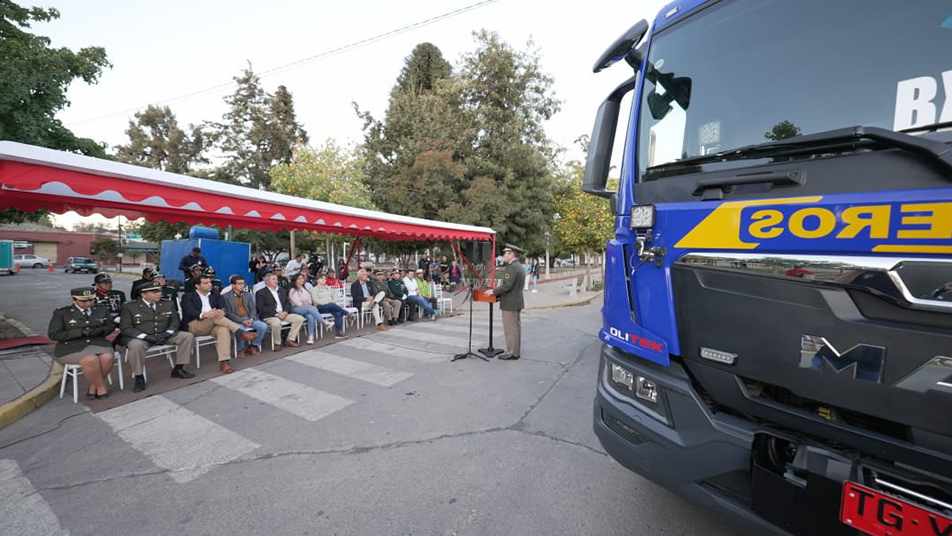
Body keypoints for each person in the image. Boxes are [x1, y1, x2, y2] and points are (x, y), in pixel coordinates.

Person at [119, 281, 196, 393]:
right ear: (143, 294)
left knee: (187, 336)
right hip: (142, 337)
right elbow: (125, 327)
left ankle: (179, 368)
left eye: (159, 291)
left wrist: (167, 333)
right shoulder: (130, 307)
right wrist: (146, 337)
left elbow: (175, 321)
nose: (159, 293)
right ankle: (139, 377)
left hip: (164, 334)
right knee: (135, 346)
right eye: (154, 292)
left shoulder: (167, 304)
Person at [48, 287, 115, 399]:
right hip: (71, 347)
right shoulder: (63, 313)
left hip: (98, 343)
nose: (89, 303)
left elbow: (110, 326)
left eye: (91, 300)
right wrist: (80, 332)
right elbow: (54, 334)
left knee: (107, 357)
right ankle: (101, 388)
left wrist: (102, 330)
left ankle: (93, 387)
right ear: (74, 300)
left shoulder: (101, 309)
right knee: (91, 360)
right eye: (84, 301)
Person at [181, 275, 257, 374]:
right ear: (197, 286)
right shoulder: (188, 296)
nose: (209, 285)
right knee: (214, 316)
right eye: (206, 283)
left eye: (210, 282)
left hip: (214, 324)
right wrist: (204, 314)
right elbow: (189, 311)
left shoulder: (215, 294)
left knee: (223, 329)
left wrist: (222, 312)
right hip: (195, 324)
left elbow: (224, 308)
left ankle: (224, 362)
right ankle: (239, 332)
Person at [483, 244, 525, 361]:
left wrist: (493, 291)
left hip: (510, 303)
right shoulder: (519, 266)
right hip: (516, 301)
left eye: (506, 253)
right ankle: (515, 351)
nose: (504, 256)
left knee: (510, 329)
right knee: (515, 328)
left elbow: (506, 286)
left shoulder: (512, 268)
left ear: (511, 254)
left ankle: (512, 353)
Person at [221, 275, 268, 358]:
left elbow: (253, 308)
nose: (242, 285)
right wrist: (241, 321)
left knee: (263, 326)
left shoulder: (247, 294)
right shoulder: (226, 296)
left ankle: (253, 346)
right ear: (233, 285)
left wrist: (251, 318)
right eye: (239, 284)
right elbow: (228, 313)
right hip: (236, 319)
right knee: (240, 329)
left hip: (249, 318)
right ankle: (241, 349)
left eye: (243, 283)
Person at [255, 273, 305, 351]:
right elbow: (261, 308)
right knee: (276, 323)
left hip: (283, 313)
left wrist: (285, 312)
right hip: (270, 315)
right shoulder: (260, 293)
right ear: (267, 282)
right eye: (273, 279)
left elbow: (287, 303)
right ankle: (277, 343)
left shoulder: (281, 290)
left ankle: (290, 339)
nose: (276, 281)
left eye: (276, 279)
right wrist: (276, 314)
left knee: (299, 319)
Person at [288, 273, 331, 344]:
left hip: (306, 308)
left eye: (302, 278)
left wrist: (307, 304)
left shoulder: (305, 289)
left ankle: (311, 336)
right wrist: (306, 304)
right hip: (296, 309)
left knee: (311, 316)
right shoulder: (293, 290)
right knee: (310, 309)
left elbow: (309, 300)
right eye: (299, 279)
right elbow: (297, 303)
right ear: (295, 280)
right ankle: (323, 321)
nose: (301, 280)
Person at [310, 274, 349, 339]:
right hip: (321, 307)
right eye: (321, 278)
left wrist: (331, 302)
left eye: (325, 279)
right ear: (317, 280)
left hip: (332, 306)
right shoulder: (314, 289)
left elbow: (335, 297)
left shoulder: (329, 288)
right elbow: (316, 301)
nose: (323, 280)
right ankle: (347, 313)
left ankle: (338, 332)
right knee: (331, 305)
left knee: (338, 313)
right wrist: (327, 303)